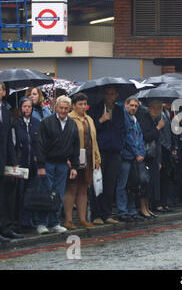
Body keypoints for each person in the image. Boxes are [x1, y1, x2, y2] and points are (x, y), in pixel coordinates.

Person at [35, 96, 79, 234]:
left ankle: (54, 222)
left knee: (58, 194)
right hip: (47, 163)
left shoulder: (72, 124)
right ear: (56, 107)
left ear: (69, 109)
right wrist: (41, 165)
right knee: (45, 193)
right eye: (61, 108)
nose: (64, 111)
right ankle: (41, 223)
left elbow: (75, 146)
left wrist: (74, 167)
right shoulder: (46, 122)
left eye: (66, 108)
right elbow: (40, 144)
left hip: (62, 165)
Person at [87, 85, 125, 225]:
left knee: (110, 185)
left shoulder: (120, 110)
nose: (110, 96)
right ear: (104, 95)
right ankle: (96, 214)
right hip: (100, 152)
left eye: (112, 94)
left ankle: (107, 213)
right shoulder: (95, 109)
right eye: (107, 93)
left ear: (116, 95)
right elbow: (91, 130)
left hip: (114, 151)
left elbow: (122, 130)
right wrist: (101, 121)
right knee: (97, 184)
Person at [63, 93, 101, 230]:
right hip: (74, 157)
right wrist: (67, 158)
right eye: (80, 104)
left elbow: (94, 140)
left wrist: (97, 158)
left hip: (89, 157)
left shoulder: (89, 119)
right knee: (72, 187)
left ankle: (82, 219)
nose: (83, 107)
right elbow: (67, 140)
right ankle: (68, 219)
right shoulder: (69, 118)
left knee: (84, 188)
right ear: (73, 106)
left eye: (85, 104)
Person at [115, 96, 146, 222]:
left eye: (136, 106)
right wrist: (137, 153)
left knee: (133, 185)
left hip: (135, 157)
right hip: (126, 156)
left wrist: (142, 152)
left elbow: (140, 137)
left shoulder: (135, 119)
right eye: (131, 105)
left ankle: (132, 210)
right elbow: (128, 137)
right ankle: (122, 211)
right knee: (122, 185)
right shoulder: (125, 118)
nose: (133, 108)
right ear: (126, 105)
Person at [13, 97, 40, 231]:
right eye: (24, 106)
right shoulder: (16, 123)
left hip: (33, 164)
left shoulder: (36, 122)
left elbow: (39, 144)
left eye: (29, 106)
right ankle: (19, 221)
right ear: (20, 108)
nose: (27, 109)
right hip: (20, 163)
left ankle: (28, 220)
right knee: (20, 192)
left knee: (30, 192)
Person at [0, 82, 21, 243]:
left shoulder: (6, 112)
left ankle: (6, 228)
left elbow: (9, 141)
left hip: (4, 161)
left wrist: (14, 161)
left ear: (4, 92)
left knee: (6, 197)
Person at [140, 100, 163, 218]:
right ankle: (143, 208)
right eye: (153, 108)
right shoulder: (145, 119)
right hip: (146, 155)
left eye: (158, 109)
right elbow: (146, 137)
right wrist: (158, 128)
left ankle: (148, 207)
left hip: (153, 156)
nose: (156, 111)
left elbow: (158, 142)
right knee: (145, 182)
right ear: (149, 108)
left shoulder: (155, 120)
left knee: (151, 182)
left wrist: (159, 160)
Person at [157, 103, 178, 212]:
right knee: (159, 177)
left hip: (168, 148)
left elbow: (172, 131)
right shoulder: (156, 114)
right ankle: (158, 203)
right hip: (159, 147)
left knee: (166, 177)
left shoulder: (167, 114)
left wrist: (174, 146)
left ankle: (164, 202)